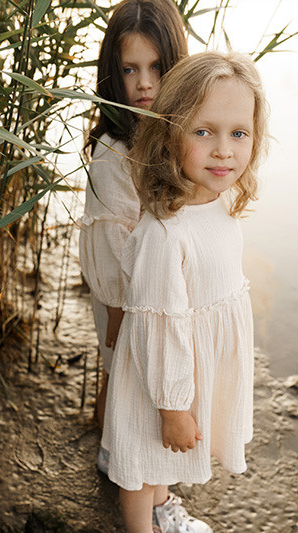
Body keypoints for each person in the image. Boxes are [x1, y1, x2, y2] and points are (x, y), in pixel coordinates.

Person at [106, 51, 265, 533]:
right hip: (161, 381)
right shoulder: (164, 233)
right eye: (204, 132)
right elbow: (161, 328)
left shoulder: (218, 204)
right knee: (142, 457)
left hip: (187, 369)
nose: (224, 150)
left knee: (162, 460)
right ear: (170, 135)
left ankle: (161, 505)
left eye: (239, 133)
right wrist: (173, 406)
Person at [78, 0, 187, 474]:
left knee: (131, 376)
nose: (144, 83)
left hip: (151, 285)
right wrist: (120, 312)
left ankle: (116, 452)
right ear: (112, 73)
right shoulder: (115, 149)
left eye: (156, 67)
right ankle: (116, 457)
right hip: (124, 292)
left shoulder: (170, 134)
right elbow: (110, 239)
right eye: (130, 69)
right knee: (123, 372)